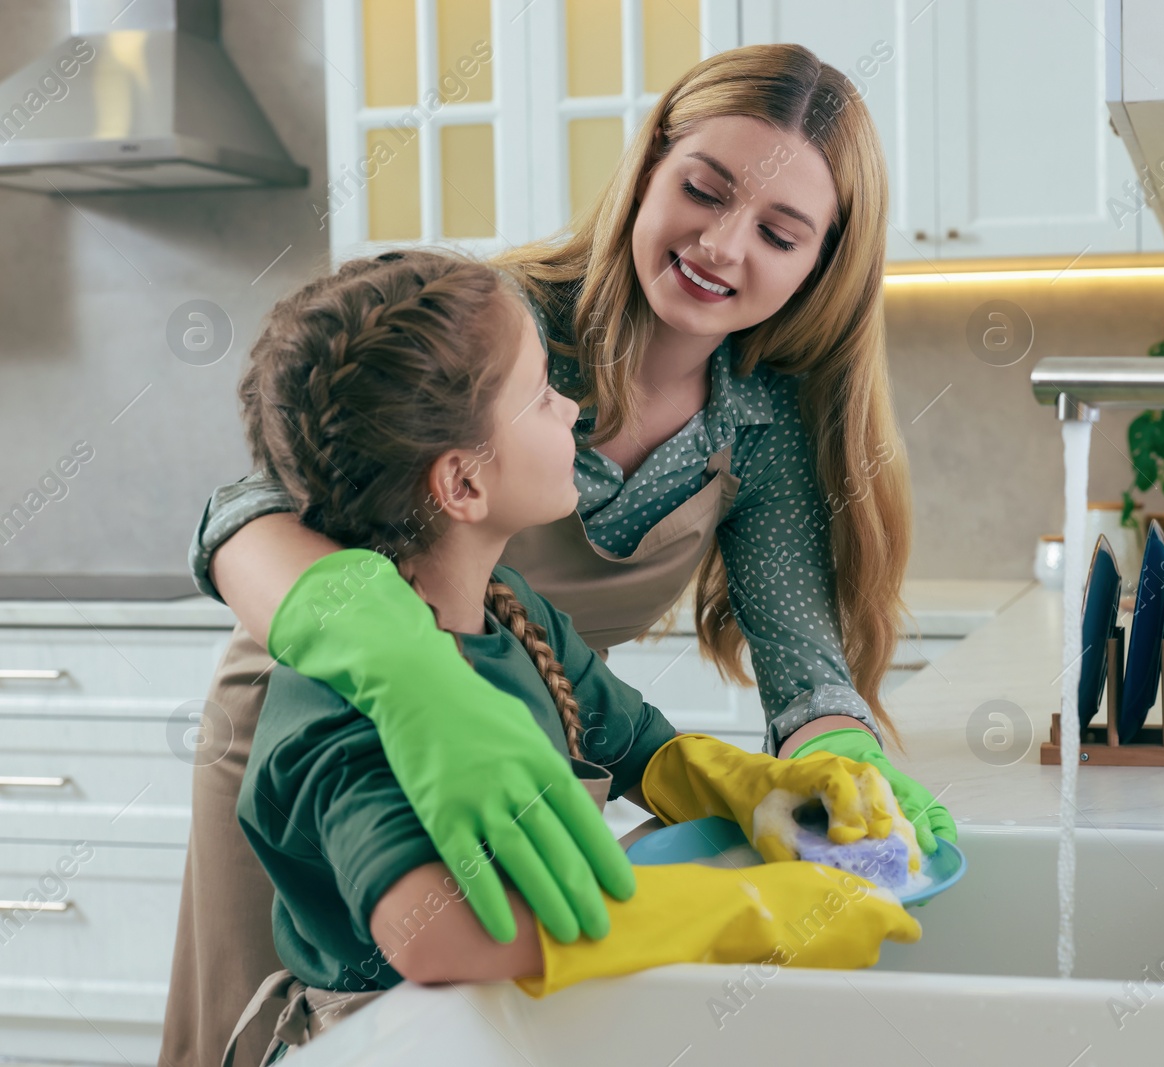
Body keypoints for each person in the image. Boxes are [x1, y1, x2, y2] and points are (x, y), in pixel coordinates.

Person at [159, 43, 953, 1067]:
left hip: (522, 744)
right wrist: (404, 670)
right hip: (337, 716)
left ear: (823, 261)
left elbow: (799, 671)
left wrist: (824, 766)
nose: (720, 242)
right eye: (701, 190)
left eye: (778, 231)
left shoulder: (757, 423)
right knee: (289, 1025)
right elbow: (246, 503)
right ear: (649, 169)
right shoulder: (500, 324)